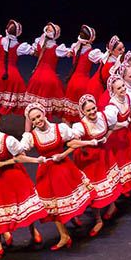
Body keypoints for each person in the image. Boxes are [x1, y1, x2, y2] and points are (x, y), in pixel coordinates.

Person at [0, 112, 48, 260]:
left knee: (22, 206)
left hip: (13, 175)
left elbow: (20, 156)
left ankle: (33, 230)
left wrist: (35, 160)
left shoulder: (7, 140)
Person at [18, 103, 97, 251]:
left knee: (71, 197)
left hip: (64, 168)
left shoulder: (59, 128)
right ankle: (64, 235)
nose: (37, 120)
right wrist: (36, 160)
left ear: (44, 114)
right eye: (33, 119)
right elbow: (19, 152)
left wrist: (63, 155)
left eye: (38, 116)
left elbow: (73, 143)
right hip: (47, 172)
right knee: (54, 205)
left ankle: (75, 218)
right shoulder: (31, 136)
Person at [70, 94, 123, 237]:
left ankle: (111, 206)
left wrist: (107, 136)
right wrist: (87, 143)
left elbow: (111, 126)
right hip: (88, 159)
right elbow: (72, 143)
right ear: (83, 112)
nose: (92, 112)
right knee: (93, 189)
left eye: (93, 108)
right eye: (88, 111)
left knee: (107, 183)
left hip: (103, 155)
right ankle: (98, 219)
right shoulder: (80, 126)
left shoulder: (104, 116)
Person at [0, 19, 36, 123]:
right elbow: (33, 52)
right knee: (23, 104)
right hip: (13, 75)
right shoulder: (20, 46)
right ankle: (30, 128)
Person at [24, 23, 71, 126]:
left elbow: (33, 51)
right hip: (49, 78)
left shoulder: (40, 44)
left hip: (36, 77)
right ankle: (65, 131)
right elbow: (70, 53)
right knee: (62, 109)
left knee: (34, 108)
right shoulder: (56, 48)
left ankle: (31, 132)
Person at [63, 25, 107, 123]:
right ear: (91, 39)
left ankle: (69, 131)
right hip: (83, 83)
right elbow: (103, 59)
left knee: (69, 112)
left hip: (72, 82)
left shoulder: (75, 48)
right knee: (84, 110)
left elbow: (69, 52)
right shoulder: (91, 53)